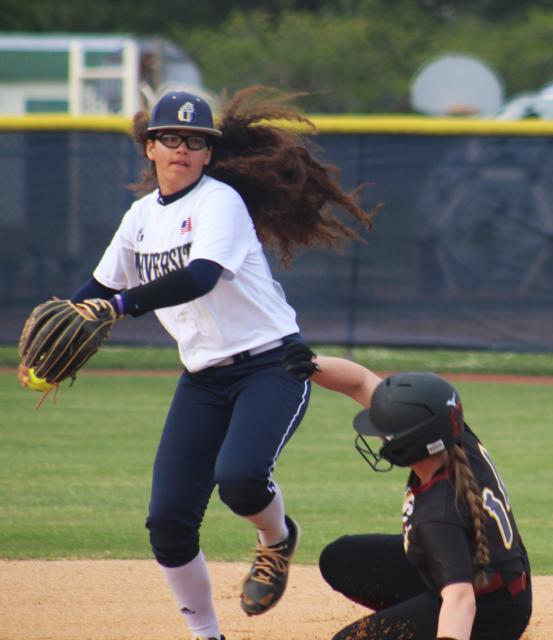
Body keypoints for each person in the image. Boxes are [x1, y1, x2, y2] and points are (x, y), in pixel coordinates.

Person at [51, 87, 376, 640]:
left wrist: (120, 306)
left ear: (208, 154)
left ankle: (275, 540)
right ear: (150, 147)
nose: (182, 148)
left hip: (271, 365)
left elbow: (200, 275)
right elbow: (101, 286)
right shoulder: (139, 218)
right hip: (202, 378)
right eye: (171, 138)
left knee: (241, 481)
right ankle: (207, 635)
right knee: (168, 522)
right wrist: (65, 317)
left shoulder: (218, 201)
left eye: (196, 141)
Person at [294, 365, 532, 640]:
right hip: (488, 572)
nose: (380, 437)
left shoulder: (436, 513)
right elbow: (360, 383)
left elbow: (460, 599)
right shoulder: (452, 436)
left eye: (384, 432)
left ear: (409, 444)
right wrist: (308, 363)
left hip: (491, 612)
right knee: (340, 559)